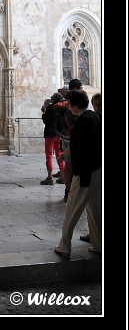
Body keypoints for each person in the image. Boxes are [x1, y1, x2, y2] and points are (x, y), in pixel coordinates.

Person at [54, 89, 102, 260]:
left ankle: (65, 246)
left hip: (84, 173)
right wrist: (64, 154)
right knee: (95, 209)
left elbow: (77, 148)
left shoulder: (81, 121)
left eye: (68, 103)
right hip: (98, 171)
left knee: (72, 208)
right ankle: (99, 244)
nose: (67, 106)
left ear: (75, 105)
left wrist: (65, 155)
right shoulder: (95, 116)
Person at [80, 91, 102, 244]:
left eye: (100, 105)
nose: (97, 108)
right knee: (95, 204)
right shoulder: (94, 118)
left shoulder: (94, 119)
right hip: (96, 167)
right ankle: (95, 235)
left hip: (96, 167)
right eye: (96, 105)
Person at [56, 78, 83, 201]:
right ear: (77, 88)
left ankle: (69, 191)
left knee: (68, 164)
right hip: (72, 137)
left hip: (66, 136)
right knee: (72, 164)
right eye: (80, 87)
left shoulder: (65, 101)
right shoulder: (73, 101)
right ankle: (71, 191)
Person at [40, 93, 65, 185]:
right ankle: (63, 177)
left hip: (50, 134)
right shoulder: (62, 108)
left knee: (49, 155)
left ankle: (49, 177)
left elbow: (45, 120)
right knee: (60, 155)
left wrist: (44, 112)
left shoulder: (50, 108)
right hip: (59, 134)